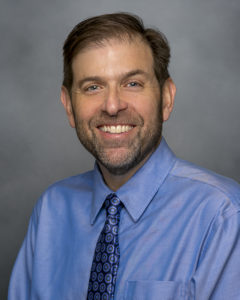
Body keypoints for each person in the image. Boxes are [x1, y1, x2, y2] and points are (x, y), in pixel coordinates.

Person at [8, 13, 240, 300]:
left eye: (132, 83)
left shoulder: (223, 216)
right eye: (93, 87)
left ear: (166, 99)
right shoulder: (52, 210)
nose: (113, 105)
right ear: (69, 106)